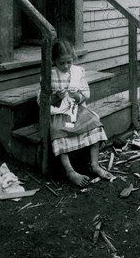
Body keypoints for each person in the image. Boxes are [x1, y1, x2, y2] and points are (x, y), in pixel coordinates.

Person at [45, 39, 115, 186]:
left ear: (73, 59)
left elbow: (86, 93)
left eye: (68, 62)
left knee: (94, 123)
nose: (65, 66)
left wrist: (78, 96)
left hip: (77, 109)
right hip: (60, 112)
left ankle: (94, 165)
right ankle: (70, 171)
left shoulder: (78, 72)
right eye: (61, 63)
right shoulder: (49, 76)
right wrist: (54, 98)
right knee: (57, 131)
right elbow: (41, 100)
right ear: (54, 61)